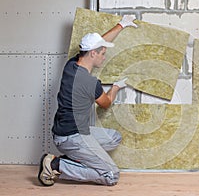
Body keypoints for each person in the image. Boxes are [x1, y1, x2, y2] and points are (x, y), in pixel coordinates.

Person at [38, 15, 138, 186]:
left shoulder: (71, 65)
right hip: (71, 138)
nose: (104, 57)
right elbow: (106, 103)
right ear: (93, 53)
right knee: (111, 175)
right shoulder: (91, 83)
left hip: (68, 131)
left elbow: (99, 43)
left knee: (114, 137)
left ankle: (80, 157)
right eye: (103, 54)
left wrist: (121, 25)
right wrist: (115, 88)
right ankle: (55, 164)